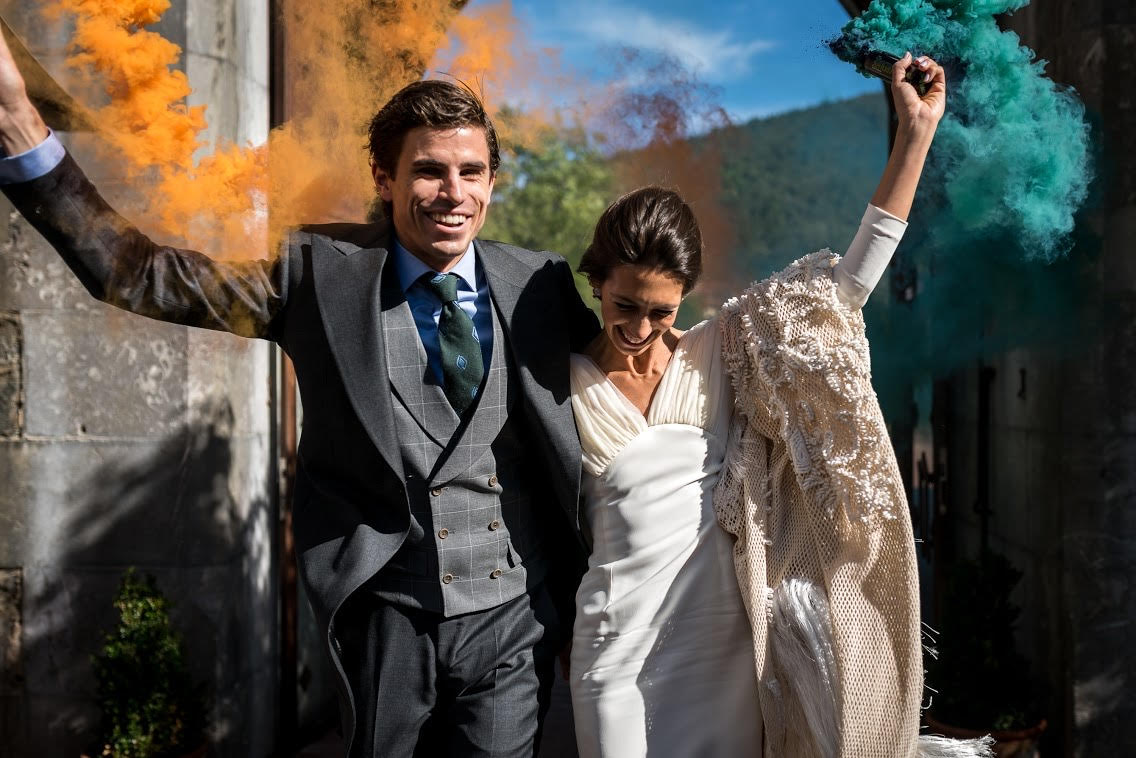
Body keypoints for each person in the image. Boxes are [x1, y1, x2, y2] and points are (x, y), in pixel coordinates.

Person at [0, 32, 598, 758]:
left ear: (493, 181)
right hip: (386, 614)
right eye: (429, 171)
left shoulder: (539, 286)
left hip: (512, 614)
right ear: (384, 176)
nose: (454, 193)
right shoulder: (320, 275)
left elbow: (628, 379)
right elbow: (142, 276)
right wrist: (22, 130)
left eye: (471, 172)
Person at [567, 54, 993, 757]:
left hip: (724, 648)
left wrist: (914, 136)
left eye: (659, 310)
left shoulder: (725, 350)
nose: (639, 329)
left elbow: (845, 287)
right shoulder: (558, 379)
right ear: (595, 282)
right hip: (609, 647)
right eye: (623, 306)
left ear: (688, 299)